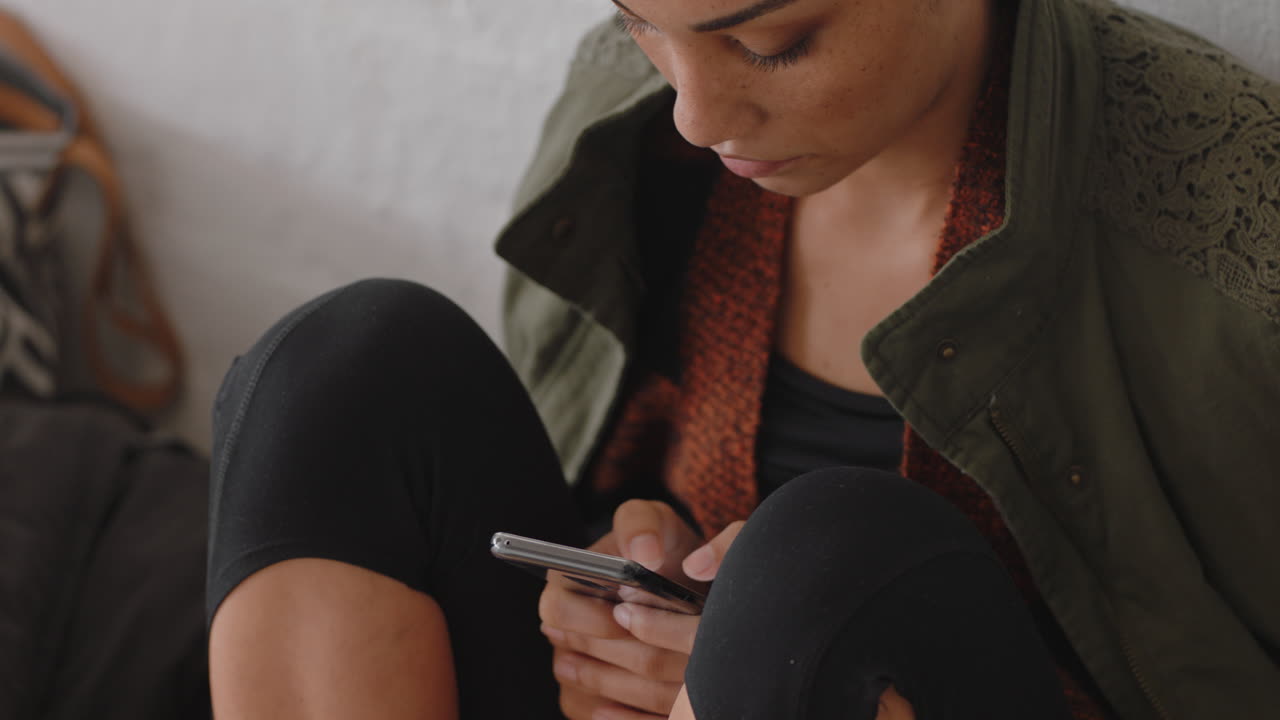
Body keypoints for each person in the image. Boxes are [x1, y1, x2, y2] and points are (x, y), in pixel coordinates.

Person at [205, 0, 1280, 718]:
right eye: (641, 29)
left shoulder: (1225, 207)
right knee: (345, 366)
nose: (695, 110)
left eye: (769, 41)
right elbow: (606, 472)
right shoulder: (640, 118)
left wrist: (790, 660)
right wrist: (615, 588)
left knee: (820, 558)